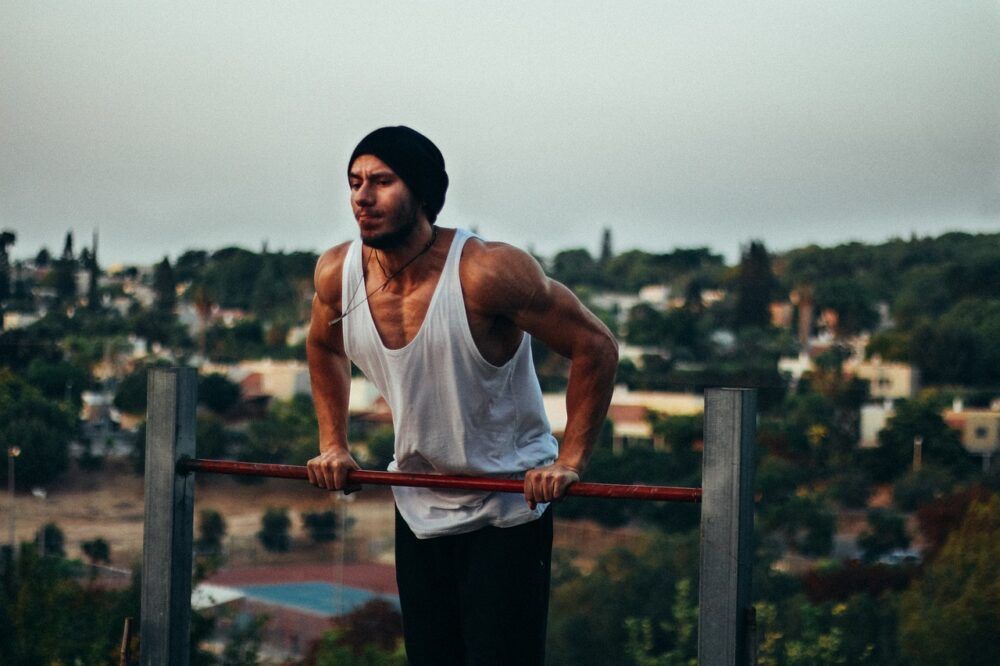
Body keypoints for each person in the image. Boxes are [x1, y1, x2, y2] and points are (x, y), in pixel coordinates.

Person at [306, 126, 618, 664]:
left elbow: (596, 346)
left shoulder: (486, 272)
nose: (362, 196)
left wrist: (569, 461)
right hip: (418, 500)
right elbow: (322, 346)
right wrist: (333, 443)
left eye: (382, 181)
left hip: (509, 503)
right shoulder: (338, 274)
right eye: (355, 182)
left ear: (423, 192)